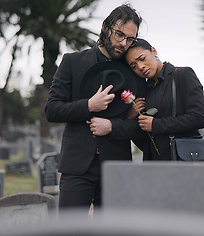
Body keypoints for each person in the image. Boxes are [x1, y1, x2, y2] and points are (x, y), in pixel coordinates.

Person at [44, 4, 143, 212]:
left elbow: (140, 124)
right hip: (77, 166)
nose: (123, 43)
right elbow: (52, 110)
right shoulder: (72, 62)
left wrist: (112, 127)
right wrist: (89, 105)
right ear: (106, 28)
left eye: (130, 39)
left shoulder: (132, 69)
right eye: (119, 34)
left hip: (117, 166)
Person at [124, 38, 204, 160]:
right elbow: (145, 142)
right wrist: (131, 118)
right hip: (153, 167)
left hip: (183, 162)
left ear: (154, 51)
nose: (140, 67)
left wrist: (156, 125)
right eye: (134, 66)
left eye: (142, 59)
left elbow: (199, 117)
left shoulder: (182, 75)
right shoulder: (145, 91)